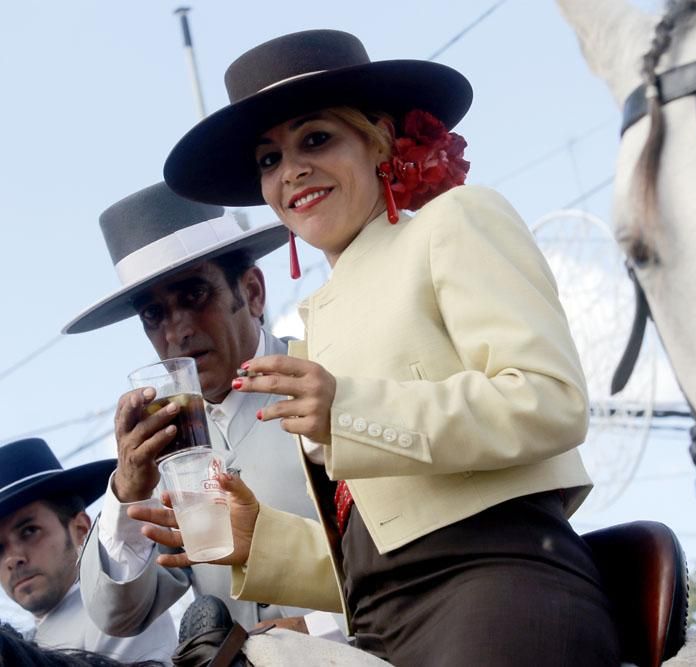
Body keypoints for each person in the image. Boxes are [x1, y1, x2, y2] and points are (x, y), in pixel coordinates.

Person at [142, 29, 621, 666]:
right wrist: (258, 543)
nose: (292, 172)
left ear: (381, 139)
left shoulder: (456, 220)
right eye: (269, 159)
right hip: (378, 627)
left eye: (316, 139)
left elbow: (551, 400)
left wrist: (347, 411)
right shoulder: (317, 329)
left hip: (497, 589)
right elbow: (377, 558)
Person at [63, 183, 343, 640]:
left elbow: (406, 553)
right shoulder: (167, 448)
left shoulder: (324, 379)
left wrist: (318, 628)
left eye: (194, 296)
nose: (177, 331)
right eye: (153, 315)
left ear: (252, 292)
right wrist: (128, 492)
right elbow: (117, 616)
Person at [0, 438, 175, 663]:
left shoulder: (124, 607)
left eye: (29, 531)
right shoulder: (28, 640)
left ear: (81, 530)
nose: (13, 559)